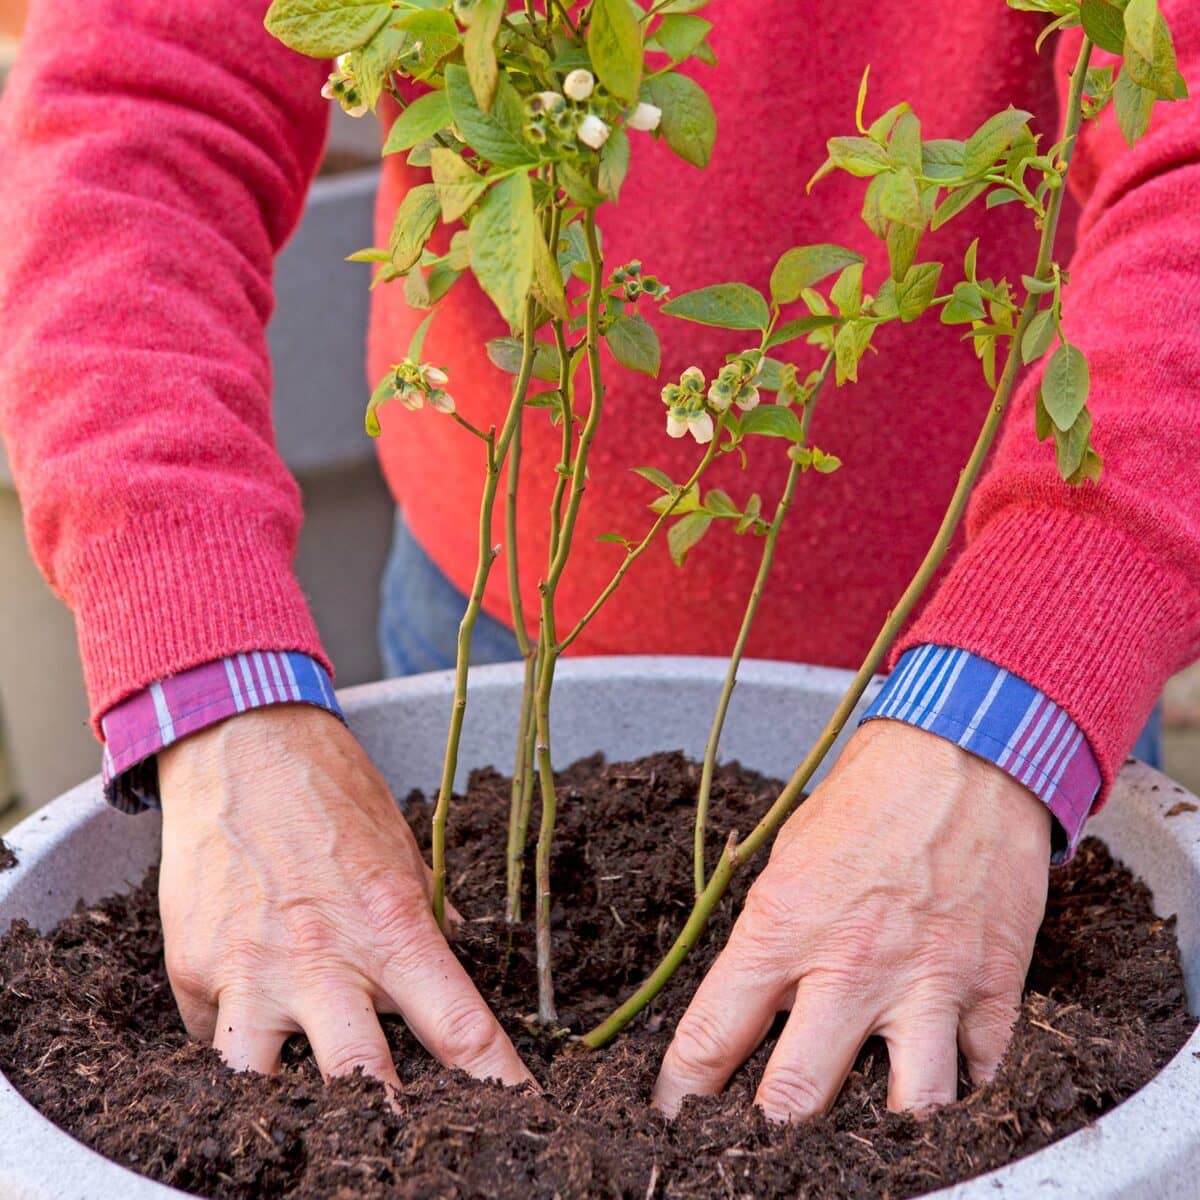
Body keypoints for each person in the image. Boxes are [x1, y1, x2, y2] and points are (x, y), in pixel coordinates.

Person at [1, 0, 1197, 1124]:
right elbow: (142, 101)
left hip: (1025, 656)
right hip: (493, 580)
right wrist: (210, 674)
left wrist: (1024, 680)